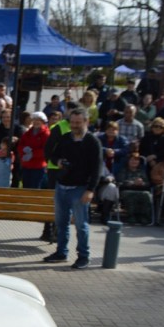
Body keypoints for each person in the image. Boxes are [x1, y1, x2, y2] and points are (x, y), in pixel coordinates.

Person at [43, 108, 103, 269]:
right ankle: (61, 252)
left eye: (78, 122)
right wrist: (59, 162)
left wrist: (91, 190)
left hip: (80, 188)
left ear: (86, 122)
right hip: (62, 186)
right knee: (61, 223)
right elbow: (51, 155)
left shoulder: (93, 142)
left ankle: (84, 256)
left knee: (81, 225)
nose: (75, 125)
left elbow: (97, 168)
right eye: (72, 122)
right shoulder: (64, 138)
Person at [117, 154, 153, 225]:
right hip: (126, 190)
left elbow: (148, 183)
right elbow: (120, 182)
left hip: (141, 190)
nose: (134, 162)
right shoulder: (123, 170)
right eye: (132, 160)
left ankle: (144, 217)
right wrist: (133, 183)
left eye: (136, 160)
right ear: (128, 161)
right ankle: (131, 216)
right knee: (130, 194)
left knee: (147, 195)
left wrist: (142, 183)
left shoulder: (142, 171)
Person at [18, 112, 50, 188]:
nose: (36, 122)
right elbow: (20, 145)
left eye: (39, 120)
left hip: (38, 167)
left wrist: (33, 154)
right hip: (27, 166)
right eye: (35, 120)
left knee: (35, 189)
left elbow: (46, 150)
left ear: (43, 121)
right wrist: (23, 150)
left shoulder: (46, 134)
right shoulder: (27, 133)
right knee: (26, 187)